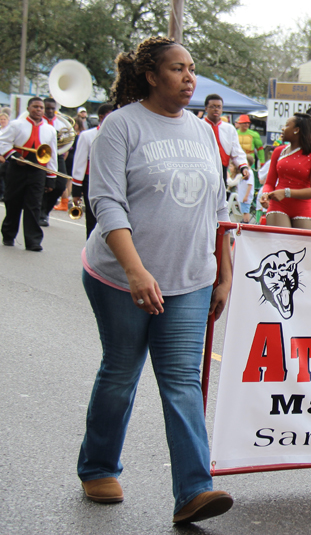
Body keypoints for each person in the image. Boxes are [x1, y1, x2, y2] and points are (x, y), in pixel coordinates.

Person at [78, 36, 233, 523]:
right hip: (120, 278)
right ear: (150, 76)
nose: (189, 78)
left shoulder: (203, 131)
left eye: (192, 69)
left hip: (190, 279)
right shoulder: (120, 126)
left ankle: (193, 490)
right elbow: (106, 203)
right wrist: (135, 269)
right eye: (177, 69)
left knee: (182, 380)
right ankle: (98, 467)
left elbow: (219, 209)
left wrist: (224, 273)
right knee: (121, 373)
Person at [0, 97, 59, 251]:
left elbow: (52, 155)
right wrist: (14, 156)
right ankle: (8, 235)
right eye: (35, 107)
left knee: (34, 205)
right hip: (17, 168)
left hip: (38, 170)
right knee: (13, 202)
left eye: (41, 107)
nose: (38, 109)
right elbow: (3, 142)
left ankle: (33, 241)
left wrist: (51, 178)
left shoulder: (50, 130)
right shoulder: (16, 124)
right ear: (28, 108)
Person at [259, 113, 311, 230]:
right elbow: (269, 183)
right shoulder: (278, 152)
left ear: (296, 130)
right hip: (278, 205)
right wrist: (265, 194)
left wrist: (286, 193)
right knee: (280, 240)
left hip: (304, 208)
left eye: (286, 125)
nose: (283, 129)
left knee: (297, 242)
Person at [71, 103, 114, 239]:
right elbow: (80, 163)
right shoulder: (87, 135)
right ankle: (91, 246)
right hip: (92, 181)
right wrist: (76, 190)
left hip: (113, 180)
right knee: (92, 218)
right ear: (101, 117)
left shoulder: (121, 135)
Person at [203, 94, 249, 184]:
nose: (216, 109)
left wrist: (243, 167)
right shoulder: (199, 125)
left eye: (219, 107)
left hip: (222, 169)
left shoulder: (229, 128)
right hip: (203, 169)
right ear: (206, 109)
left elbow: (236, 150)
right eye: (213, 106)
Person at [40, 97, 70, 226]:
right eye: (47, 108)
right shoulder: (39, 121)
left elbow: (68, 140)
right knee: (42, 184)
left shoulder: (61, 123)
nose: (50, 111)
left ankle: (46, 211)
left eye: (53, 109)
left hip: (56, 155)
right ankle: (40, 213)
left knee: (60, 185)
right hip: (40, 154)